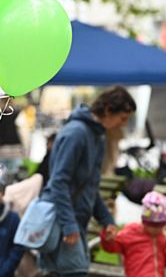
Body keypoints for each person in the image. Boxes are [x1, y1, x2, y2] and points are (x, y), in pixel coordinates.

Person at [39, 85, 136, 277]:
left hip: (75, 222)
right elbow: (58, 182)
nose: (123, 124)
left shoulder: (97, 135)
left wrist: (106, 220)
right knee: (76, 272)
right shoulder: (76, 133)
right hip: (63, 222)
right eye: (123, 118)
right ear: (108, 110)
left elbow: (89, 187)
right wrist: (68, 224)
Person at [100, 191, 166, 276]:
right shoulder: (131, 233)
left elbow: (163, 255)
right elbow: (112, 247)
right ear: (144, 221)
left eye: (160, 226)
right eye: (153, 226)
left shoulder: (161, 237)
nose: (156, 230)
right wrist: (108, 239)